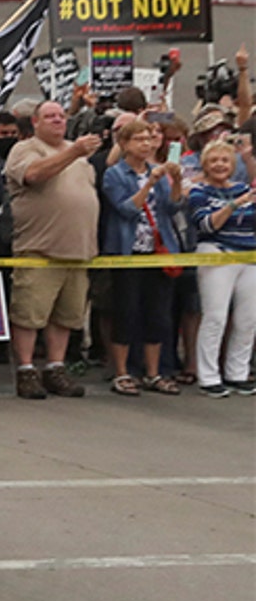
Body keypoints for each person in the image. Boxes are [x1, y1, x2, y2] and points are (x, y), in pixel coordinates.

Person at [4, 101, 103, 401]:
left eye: (62, 116)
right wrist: (72, 153)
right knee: (29, 313)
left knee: (66, 315)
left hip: (78, 249)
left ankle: (55, 368)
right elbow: (33, 175)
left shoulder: (81, 156)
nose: (58, 121)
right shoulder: (26, 149)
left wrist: (76, 152)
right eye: (50, 116)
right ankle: (25, 370)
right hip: (39, 249)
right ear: (35, 122)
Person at [100, 118, 186, 397]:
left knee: (157, 314)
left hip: (157, 251)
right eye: (139, 139)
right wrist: (148, 184)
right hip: (128, 250)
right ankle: (122, 371)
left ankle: (153, 372)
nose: (146, 144)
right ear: (124, 144)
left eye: (149, 139)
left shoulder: (157, 170)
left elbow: (172, 208)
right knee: (126, 312)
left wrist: (176, 182)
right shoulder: (115, 174)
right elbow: (125, 209)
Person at [188, 139, 256, 396]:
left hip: (249, 255)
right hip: (216, 253)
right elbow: (206, 225)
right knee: (215, 316)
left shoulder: (242, 187)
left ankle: (237, 372)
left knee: (248, 319)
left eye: (225, 160)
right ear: (205, 164)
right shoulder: (198, 192)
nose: (220, 165)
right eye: (214, 160)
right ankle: (208, 376)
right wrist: (234, 205)